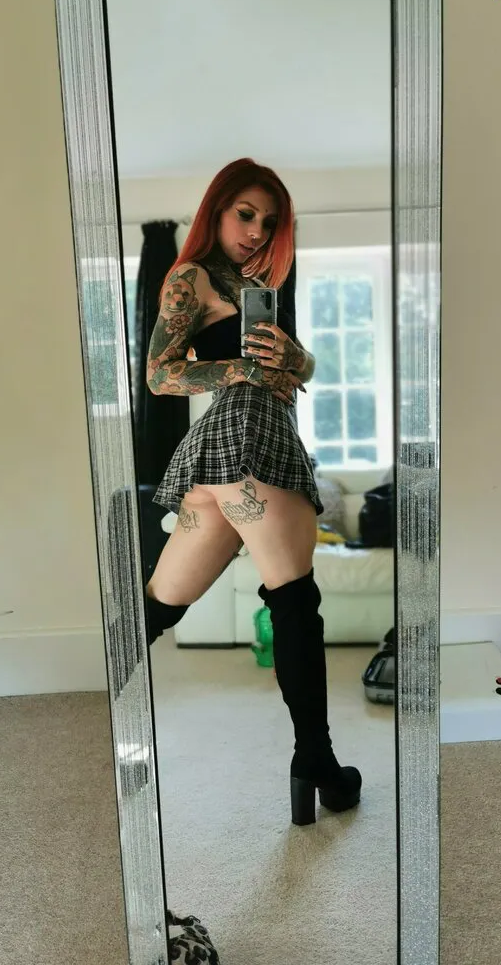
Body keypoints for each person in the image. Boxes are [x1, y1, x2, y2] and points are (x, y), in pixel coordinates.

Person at [143, 157, 361, 827]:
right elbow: (161, 375)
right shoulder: (191, 276)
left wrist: (295, 359)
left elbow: (300, 369)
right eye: (245, 214)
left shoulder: (260, 284)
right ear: (217, 210)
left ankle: (79, 710)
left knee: (156, 608)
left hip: (218, 467)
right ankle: (317, 763)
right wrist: (240, 369)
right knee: (295, 603)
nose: (256, 231)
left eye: (268, 221)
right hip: (249, 439)